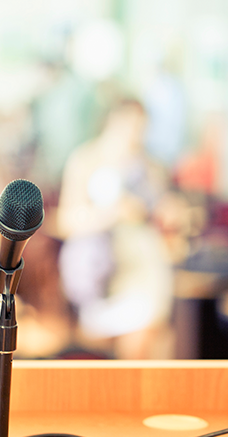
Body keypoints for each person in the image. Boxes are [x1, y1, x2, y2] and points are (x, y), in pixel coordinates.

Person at [57, 98, 173, 359]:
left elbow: (159, 213)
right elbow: (66, 221)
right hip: (98, 273)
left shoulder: (151, 166)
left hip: (141, 271)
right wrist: (113, 213)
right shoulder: (85, 160)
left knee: (144, 342)